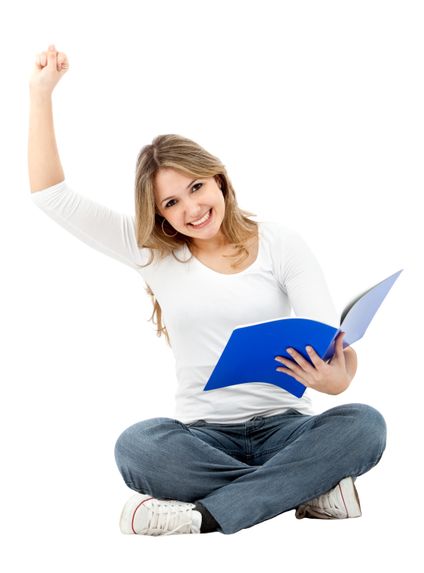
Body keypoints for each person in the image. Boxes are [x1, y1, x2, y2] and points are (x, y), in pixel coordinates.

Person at [28, 44, 387, 537]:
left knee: (365, 425)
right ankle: (309, 489)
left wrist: (338, 379)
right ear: (161, 216)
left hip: (289, 429)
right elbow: (52, 196)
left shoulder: (281, 242)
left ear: (218, 178)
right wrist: (40, 93)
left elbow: (329, 341)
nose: (191, 209)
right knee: (137, 447)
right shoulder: (152, 252)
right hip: (202, 440)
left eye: (196, 188)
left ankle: (204, 517)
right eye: (172, 203)